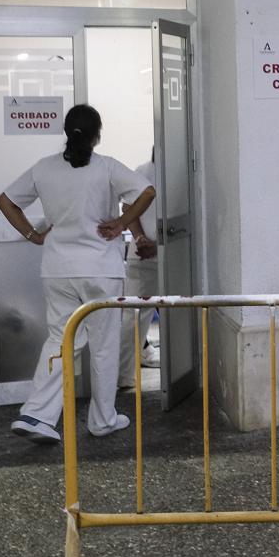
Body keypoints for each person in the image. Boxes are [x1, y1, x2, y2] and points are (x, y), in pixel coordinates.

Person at [0, 104, 155, 444]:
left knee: (60, 339)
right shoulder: (108, 167)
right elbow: (147, 192)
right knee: (103, 346)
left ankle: (37, 414)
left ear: (67, 133)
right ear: (98, 135)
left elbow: (6, 202)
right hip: (101, 270)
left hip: (57, 270)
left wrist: (33, 236)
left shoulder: (44, 169)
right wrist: (123, 224)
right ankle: (102, 420)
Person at [118, 152, 161, 387]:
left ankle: (123, 376)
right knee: (180, 312)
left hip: (140, 252)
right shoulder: (179, 171)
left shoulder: (140, 171)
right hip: (163, 253)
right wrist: (151, 243)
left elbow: (126, 208)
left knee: (132, 316)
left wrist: (140, 237)